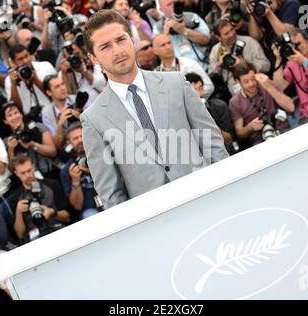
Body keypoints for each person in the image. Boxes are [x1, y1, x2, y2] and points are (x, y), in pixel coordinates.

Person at [80, 10, 229, 209]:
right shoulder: (93, 119)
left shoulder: (176, 82)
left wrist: (228, 191)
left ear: (132, 40)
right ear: (93, 58)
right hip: (157, 222)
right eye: (105, 46)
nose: (118, 51)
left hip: (208, 201)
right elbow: (111, 194)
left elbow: (212, 143)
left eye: (121, 40)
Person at [230, 61, 294, 147]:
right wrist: (249, 128)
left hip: (282, 130)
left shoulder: (267, 84)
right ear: (238, 82)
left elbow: (291, 107)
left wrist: (269, 87)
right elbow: (239, 133)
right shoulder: (235, 102)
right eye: (246, 81)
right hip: (259, 140)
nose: (251, 84)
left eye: (253, 79)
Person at [153, 33, 214, 99]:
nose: (168, 47)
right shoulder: (155, 75)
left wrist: (192, 95)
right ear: (155, 51)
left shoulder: (189, 64)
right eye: (163, 45)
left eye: (169, 43)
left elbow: (209, 86)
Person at [60, 123, 100, 220]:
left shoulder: (101, 155)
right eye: (75, 138)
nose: (80, 140)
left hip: (111, 200)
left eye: (81, 136)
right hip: (90, 210)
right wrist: (75, 181)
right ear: (69, 143)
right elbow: (77, 206)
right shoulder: (68, 170)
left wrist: (94, 172)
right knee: (90, 215)